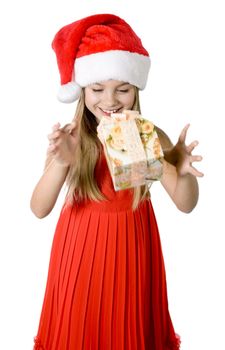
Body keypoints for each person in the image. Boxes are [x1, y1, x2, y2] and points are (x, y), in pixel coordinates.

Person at [31, 14, 203, 350]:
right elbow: (39, 208)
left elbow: (186, 203)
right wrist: (61, 163)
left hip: (133, 251)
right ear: (83, 90)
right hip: (80, 252)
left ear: (135, 89)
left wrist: (175, 168)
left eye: (122, 89)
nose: (109, 101)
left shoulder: (150, 134)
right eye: (97, 89)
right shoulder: (73, 138)